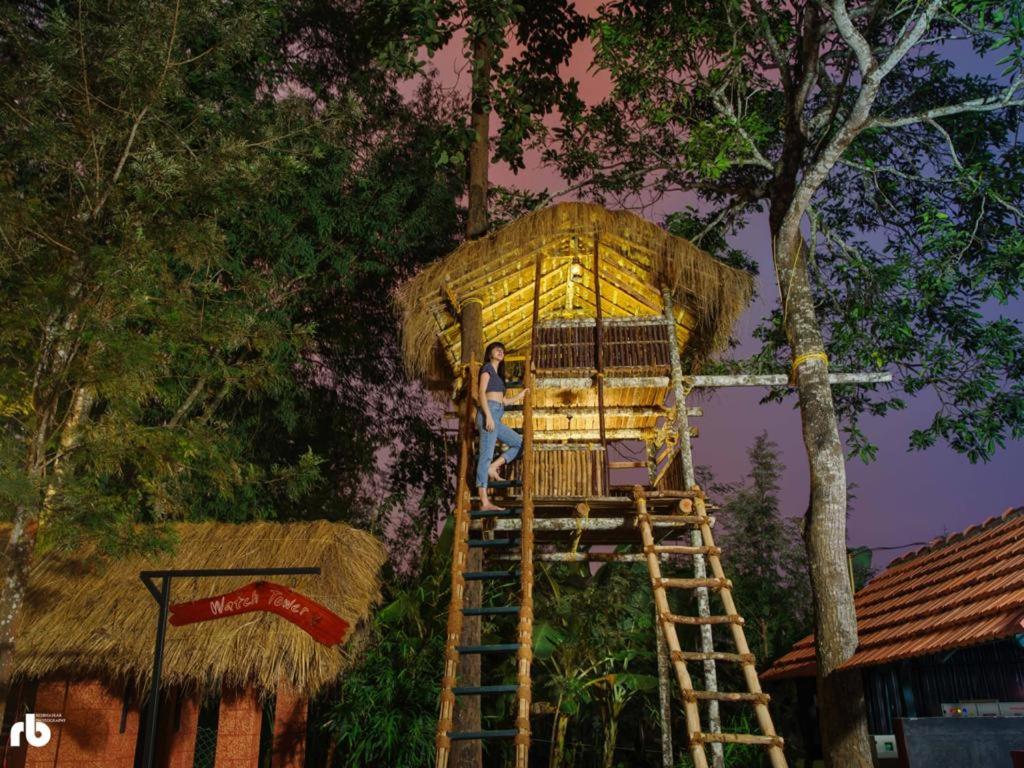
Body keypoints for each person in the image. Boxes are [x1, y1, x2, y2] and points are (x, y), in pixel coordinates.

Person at [476, 341, 527, 511]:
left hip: (497, 414)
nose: (500, 351)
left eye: (502, 350)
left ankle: (494, 467)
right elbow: (481, 393)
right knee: (486, 455)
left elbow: (504, 401)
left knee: (519, 443)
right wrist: (488, 416)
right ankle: (484, 502)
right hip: (488, 412)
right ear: (489, 353)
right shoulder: (487, 369)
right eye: (496, 349)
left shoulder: (498, 376)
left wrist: (520, 395)